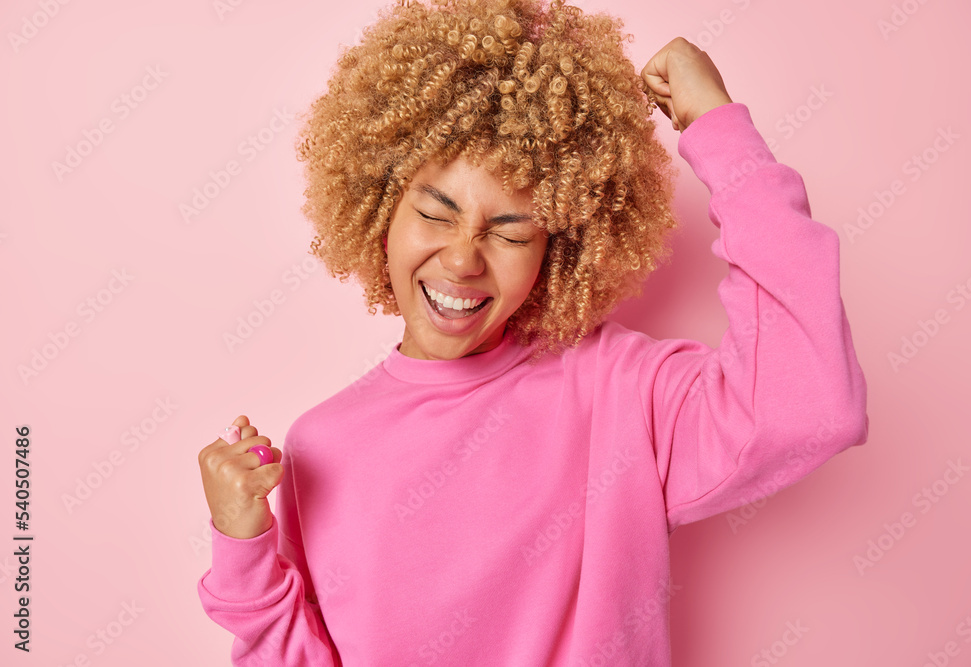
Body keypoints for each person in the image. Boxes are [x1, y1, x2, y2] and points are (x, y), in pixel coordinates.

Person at [196, 0, 870, 664]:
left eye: (511, 229)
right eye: (435, 211)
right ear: (377, 206)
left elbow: (810, 405)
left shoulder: (620, 392)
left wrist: (719, 131)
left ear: (559, 246)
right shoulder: (322, 447)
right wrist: (243, 546)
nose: (463, 259)